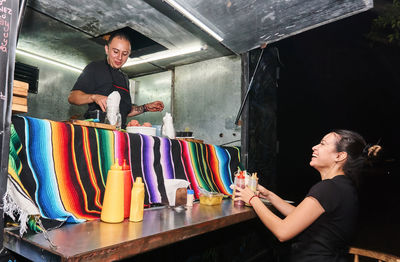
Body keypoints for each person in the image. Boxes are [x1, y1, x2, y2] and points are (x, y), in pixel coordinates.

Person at [234, 129, 382, 261]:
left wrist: (252, 199)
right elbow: (300, 216)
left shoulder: (328, 188)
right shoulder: (343, 187)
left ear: (340, 156)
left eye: (323, 144)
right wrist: (269, 195)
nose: (314, 147)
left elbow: (283, 232)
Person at [68, 30, 164, 128]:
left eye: (125, 53)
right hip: (97, 130)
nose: (119, 57)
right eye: (115, 52)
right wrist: (94, 97)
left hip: (118, 132)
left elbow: (125, 111)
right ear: (107, 49)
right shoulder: (94, 68)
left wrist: (145, 107)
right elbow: (73, 97)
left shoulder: (125, 78)